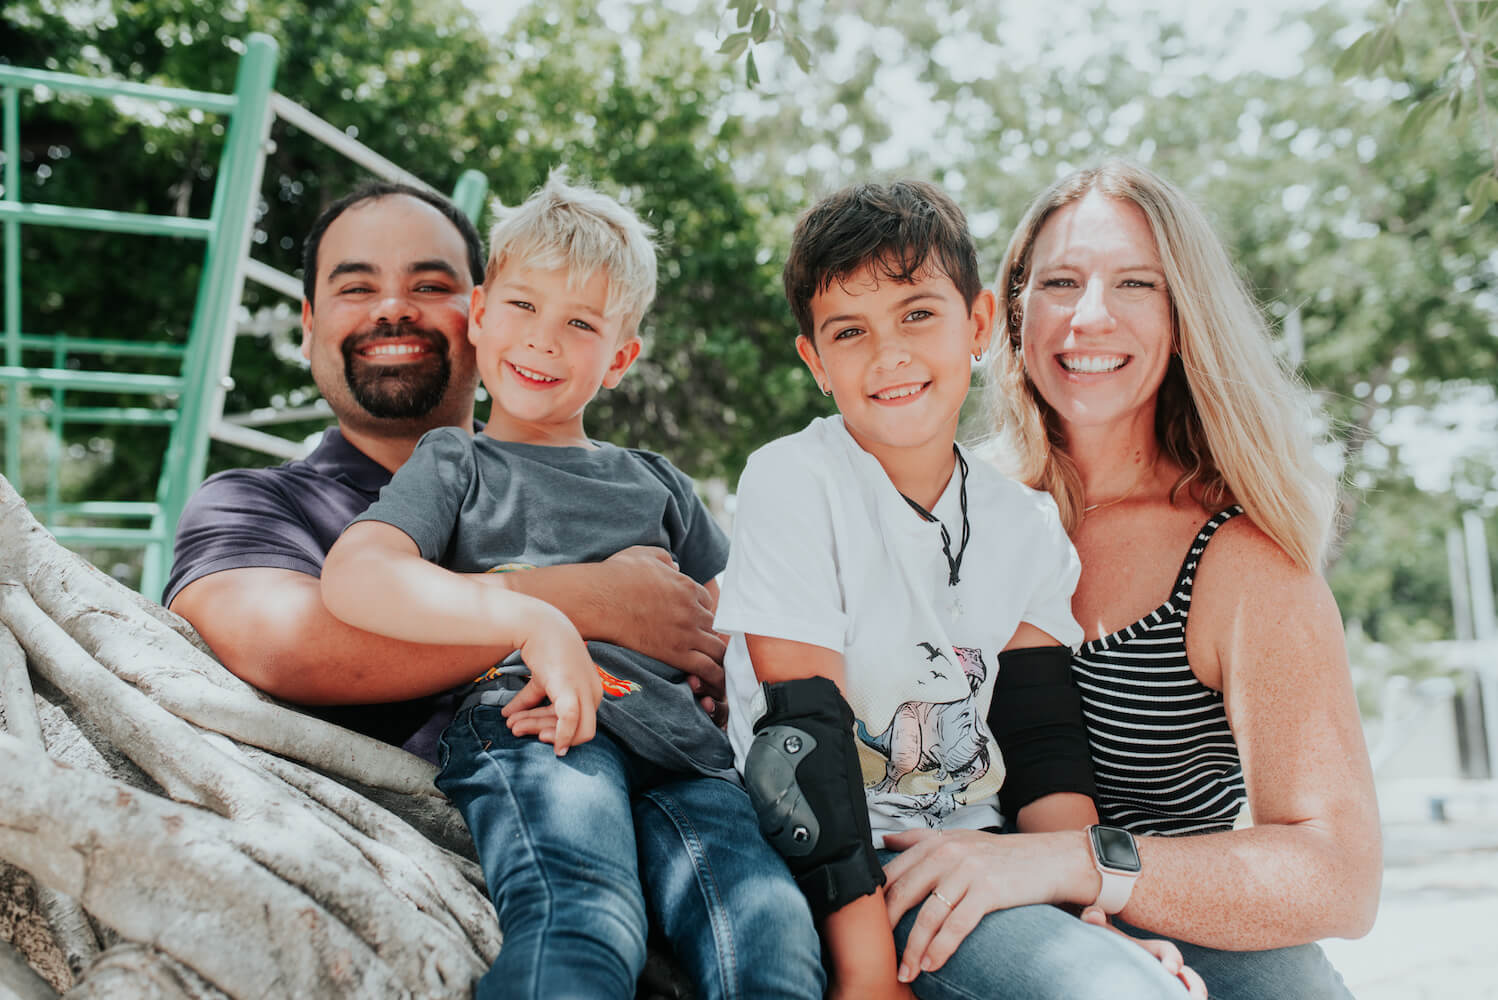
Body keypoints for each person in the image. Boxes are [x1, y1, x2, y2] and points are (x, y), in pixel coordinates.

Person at [881, 160, 1380, 1000]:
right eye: (1061, 282)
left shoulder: (1240, 557)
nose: (1090, 317)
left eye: (1136, 284)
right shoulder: (947, 506)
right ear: (1010, 312)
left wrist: (1075, 868)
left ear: (1184, 318)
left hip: (1171, 909)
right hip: (974, 907)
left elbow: (1338, 875)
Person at [318, 171, 823, 1000]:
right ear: (480, 316)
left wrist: (733, 679)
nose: (543, 340)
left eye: (579, 322)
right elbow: (358, 575)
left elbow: (745, 613)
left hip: (686, 759)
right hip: (543, 726)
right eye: (522, 307)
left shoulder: (656, 483)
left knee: (772, 941)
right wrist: (533, 620)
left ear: (619, 358)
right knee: (586, 920)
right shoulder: (459, 461)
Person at [715, 180, 1199, 1000]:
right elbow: (799, 742)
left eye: (916, 314)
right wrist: (867, 970)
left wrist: (1095, 922)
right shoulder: (794, 480)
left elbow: (1040, 741)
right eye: (849, 331)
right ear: (816, 363)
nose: (890, 353)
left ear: (976, 324)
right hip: (848, 871)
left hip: (984, 861)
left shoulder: (1027, 524)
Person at [165, 181, 727, 761]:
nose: (392, 307)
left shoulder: (623, 484)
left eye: (430, 286)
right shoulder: (246, 503)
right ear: (308, 327)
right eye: (357, 287)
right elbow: (283, 645)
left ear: (475, 310)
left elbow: (718, 634)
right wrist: (597, 603)